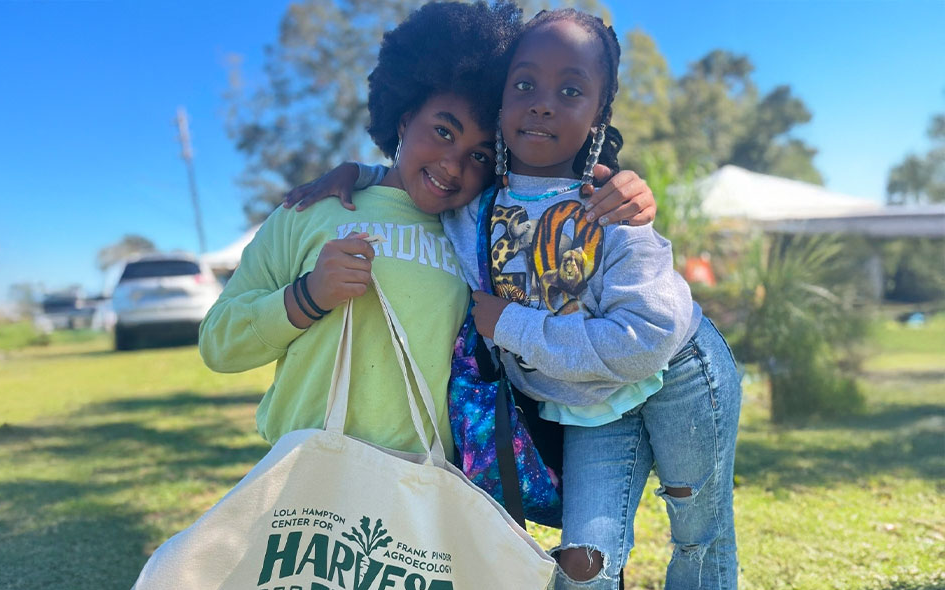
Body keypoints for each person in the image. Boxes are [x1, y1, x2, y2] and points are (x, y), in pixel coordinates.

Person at [290, 8, 754, 590]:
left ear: (599, 113)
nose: (543, 101)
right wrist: (362, 174)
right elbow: (427, 177)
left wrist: (511, 326)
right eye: (525, 84)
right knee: (584, 551)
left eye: (571, 89)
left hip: (676, 376)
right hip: (589, 401)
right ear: (503, 100)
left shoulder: (612, 206)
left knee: (698, 524)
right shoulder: (473, 209)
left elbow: (644, 339)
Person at [201, 0, 656, 465]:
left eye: (480, 155)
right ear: (403, 119)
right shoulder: (312, 211)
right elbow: (219, 344)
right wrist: (308, 296)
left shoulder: (480, 230)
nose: (452, 164)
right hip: (307, 481)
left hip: (430, 498)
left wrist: (628, 190)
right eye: (442, 131)